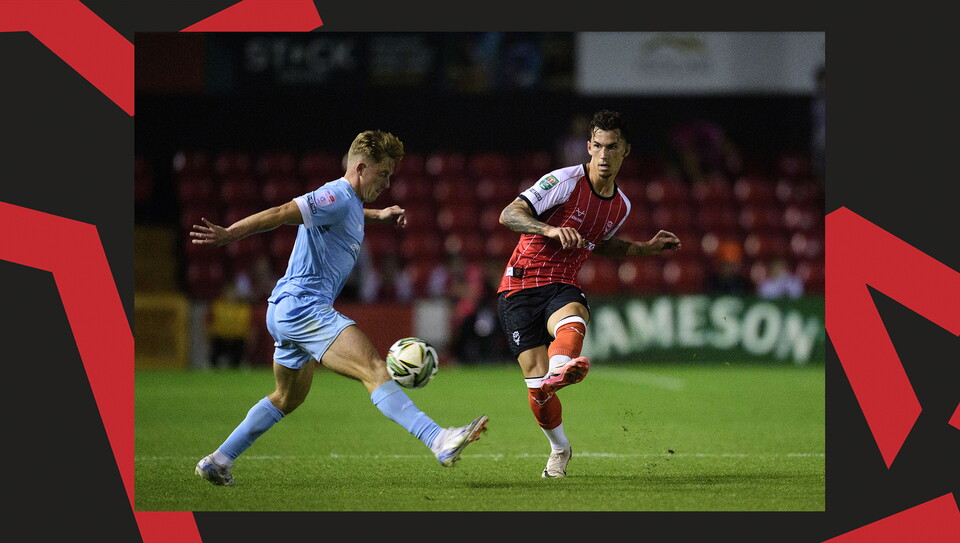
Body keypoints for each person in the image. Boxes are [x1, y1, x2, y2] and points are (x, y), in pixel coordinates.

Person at [189, 130, 488, 486]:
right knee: (374, 368)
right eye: (384, 174)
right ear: (361, 167)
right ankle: (437, 438)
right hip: (305, 307)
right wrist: (230, 234)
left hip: (286, 311)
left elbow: (350, 212)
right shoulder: (335, 194)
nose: (388, 182)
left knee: (287, 397)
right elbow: (284, 211)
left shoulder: (349, 202)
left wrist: (381, 215)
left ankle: (219, 460)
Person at [496, 110, 681, 478]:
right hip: (518, 287)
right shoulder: (563, 181)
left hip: (560, 282)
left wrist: (644, 249)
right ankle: (560, 449)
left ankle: (562, 366)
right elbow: (508, 214)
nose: (603, 154)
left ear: (625, 151)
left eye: (612, 147)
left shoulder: (621, 206)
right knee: (538, 391)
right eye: (597, 145)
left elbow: (600, 244)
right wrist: (548, 230)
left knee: (574, 310)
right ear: (588, 147)